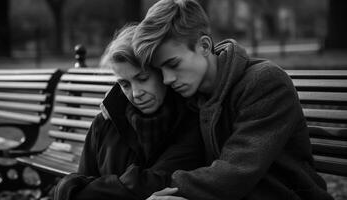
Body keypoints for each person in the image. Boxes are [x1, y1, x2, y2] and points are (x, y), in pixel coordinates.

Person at [132, 0, 333, 199]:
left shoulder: (265, 82)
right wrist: (111, 105)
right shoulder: (190, 93)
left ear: (203, 46)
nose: (167, 79)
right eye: (161, 71)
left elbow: (237, 171)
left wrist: (167, 189)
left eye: (173, 64)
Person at [53, 24, 204, 200]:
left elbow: (157, 181)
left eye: (143, 79)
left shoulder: (188, 119)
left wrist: (71, 188)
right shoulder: (105, 123)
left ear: (162, 72)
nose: (136, 93)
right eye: (124, 84)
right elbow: (83, 182)